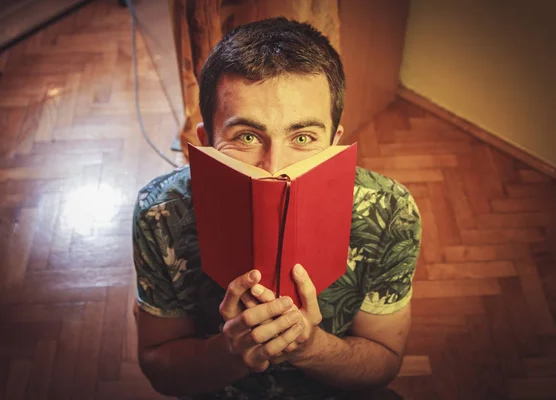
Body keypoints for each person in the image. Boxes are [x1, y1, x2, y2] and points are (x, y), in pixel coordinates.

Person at [132, 17, 421, 400]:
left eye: (303, 137)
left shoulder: (390, 211)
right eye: (247, 136)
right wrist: (232, 351)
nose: (275, 169)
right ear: (206, 141)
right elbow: (159, 368)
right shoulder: (159, 213)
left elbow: (385, 362)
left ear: (335, 143)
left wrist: (311, 347)